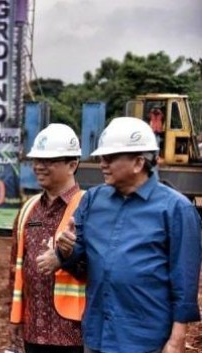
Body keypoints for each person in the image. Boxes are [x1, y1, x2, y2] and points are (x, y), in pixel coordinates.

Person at [56, 117, 201, 353]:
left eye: (110, 158)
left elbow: (184, 281)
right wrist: (66, 250)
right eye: (101, 157)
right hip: (97, 335)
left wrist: (176, 339)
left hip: (144, 340)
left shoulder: (176, 209)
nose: (102, 163)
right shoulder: (93, 200)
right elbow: (76, 259)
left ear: (138, 163)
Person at [8, 124, 86, 353]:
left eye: (49, 161)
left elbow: (101, 268)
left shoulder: (88, 207)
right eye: (37, 160)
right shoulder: (28, 209)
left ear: (72, 165)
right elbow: (15, 269)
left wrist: (67, 257)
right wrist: (15, 317)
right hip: (34, 330)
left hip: (75, 332)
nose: (40, 167)